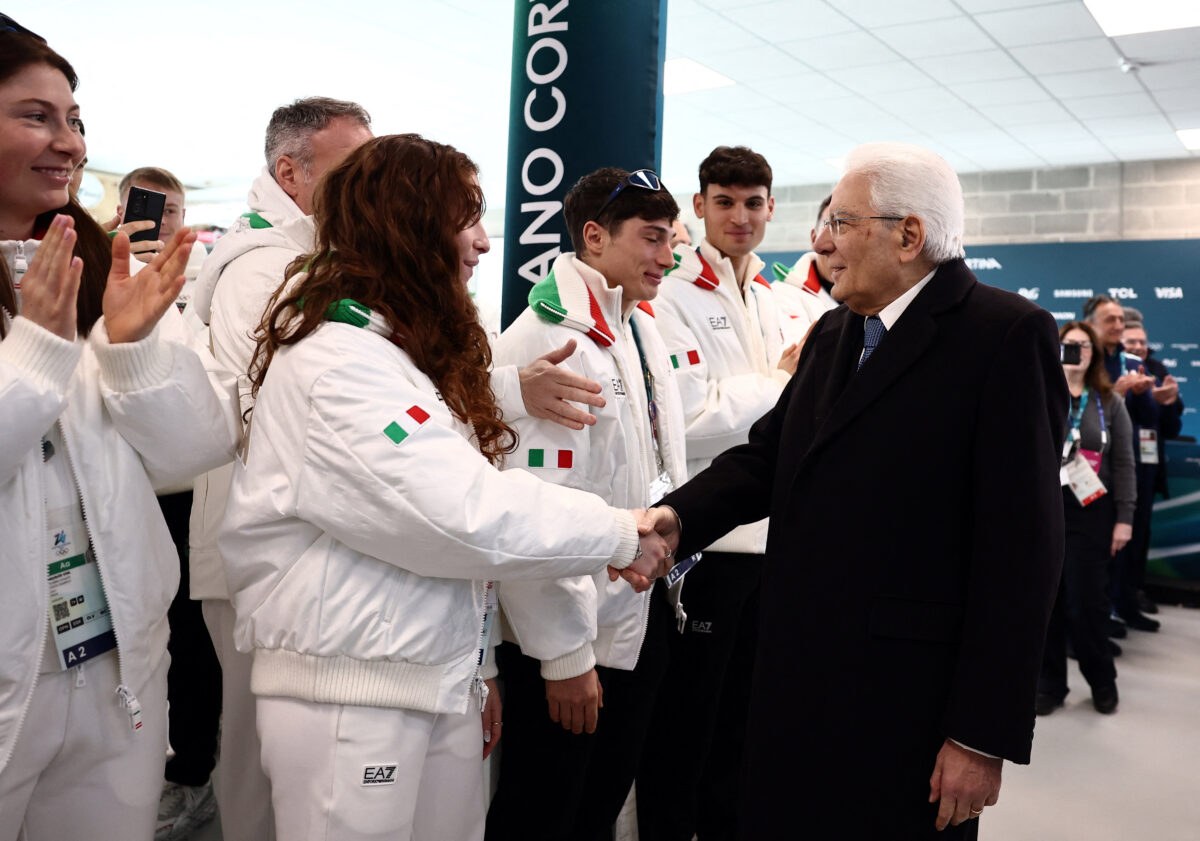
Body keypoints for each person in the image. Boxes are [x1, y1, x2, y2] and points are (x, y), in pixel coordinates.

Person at [217, 134, 669, 841]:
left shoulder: (393, 351)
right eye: (466, 219)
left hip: (424, 676)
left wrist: (473, 666)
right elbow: (458, 513)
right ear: (408, 227)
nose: (483, 242)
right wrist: (620, 531)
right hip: (351, 698)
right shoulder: (337, 362)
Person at [641, 141, 1068, 839]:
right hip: (795, 685)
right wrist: (674, 520)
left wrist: (979, 734)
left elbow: (1023, 553)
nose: (821, 241)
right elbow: (768, 459)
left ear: (908, 235)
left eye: (841, 222)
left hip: (908, 710)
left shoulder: (1004, 336)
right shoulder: (836, 331)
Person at [0, 21, 238, 841]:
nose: (68, 142)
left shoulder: (106, 267)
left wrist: (134, 352)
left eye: (75, 119)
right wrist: (38, 352)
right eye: (36, 117)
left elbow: (194, 450)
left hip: (114, 666)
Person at [486, 168, 686, 841]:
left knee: (596, 810)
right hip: (573, 644)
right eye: (652, 238)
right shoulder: (549, 341)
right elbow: (532, 515)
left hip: (634, 614)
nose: (668, 255)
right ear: (595, 237)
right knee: (543, 814)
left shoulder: (636, 326)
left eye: (671, 239)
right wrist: (564, 655)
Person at [637, 145, 799, 841]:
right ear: (699, 206)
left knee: (747, 730)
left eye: (753, 202)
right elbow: (688, 416)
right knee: (686, 731)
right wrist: (783, 383)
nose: (740, 216)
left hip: (774, 544)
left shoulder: (772, 296)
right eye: (724, 201)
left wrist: (766, 393)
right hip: (706, 543)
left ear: (771, 207)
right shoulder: (669, 294)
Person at [1037, 321, 1134, 717]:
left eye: (1084, 346)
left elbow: (1124, 463)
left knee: (1086, 603)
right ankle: (1049, 683)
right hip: (1045, 508)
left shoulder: (1109, 402)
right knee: (1046, 602)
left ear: (1094, 354)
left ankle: (1102, 679)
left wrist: (1125, 518)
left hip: (1092, 509)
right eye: (1069, 344)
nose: (1076, 352)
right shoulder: (1040, 394)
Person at [1118, 315, 1182, 620]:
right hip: (1116, 468)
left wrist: (1165, 403)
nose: (1138, 346)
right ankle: (1112, 603)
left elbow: (1170, 427)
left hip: (1147, 467)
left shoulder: (1157, 370)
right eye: (1131, 341)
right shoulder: (1112, 370)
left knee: (1140, 534)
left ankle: (1133, 594)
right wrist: (1137, 396)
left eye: (1142, 341)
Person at [775, 194, 838, 339]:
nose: (836, 245)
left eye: (845, 231)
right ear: (814, 238)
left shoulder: (876, 296)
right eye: (829, 228)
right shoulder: (782, 295)